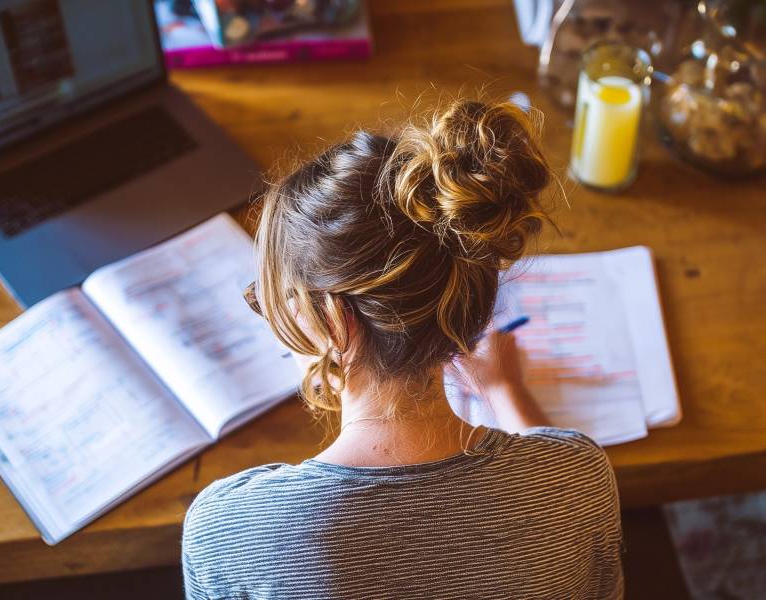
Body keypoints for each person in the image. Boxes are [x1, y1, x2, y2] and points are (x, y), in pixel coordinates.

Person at [182, 98, 623, 599]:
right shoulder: (578, 480)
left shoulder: (230, 533)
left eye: (273, 298)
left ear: (332, 319)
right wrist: (506, 394)